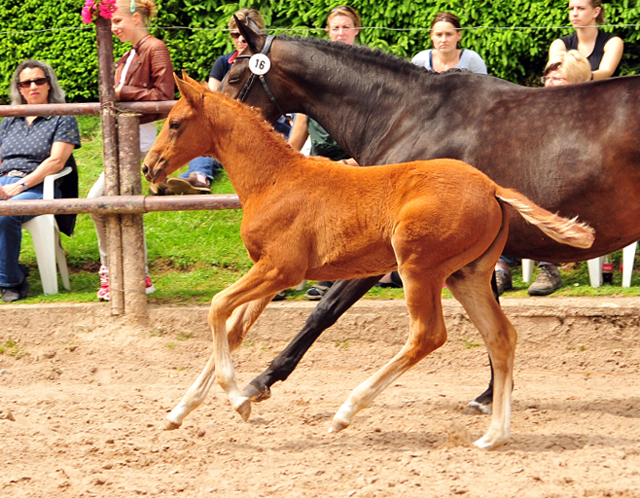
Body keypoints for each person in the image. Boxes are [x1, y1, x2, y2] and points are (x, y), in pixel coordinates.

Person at [88, 0, 174, 300]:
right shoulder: (127, 55)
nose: (113, 29)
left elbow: (164, 96)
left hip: (143, 143)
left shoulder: (154, 48)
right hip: (124, 144)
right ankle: (128, 273)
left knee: (97, 201)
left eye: (117, 22)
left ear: (136, 18)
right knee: (115, 207)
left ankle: (118, 270)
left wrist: (123, 93)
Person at [495, 49, 596, 297]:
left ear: (577, 83)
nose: (550, 84)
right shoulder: (537, 112)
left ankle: (549, 267)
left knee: (548, 195)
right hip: (531, 176)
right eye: (547, 78)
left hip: (568, 183)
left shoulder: (587, 114)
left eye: (558, 79)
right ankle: (501, 267)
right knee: (507, 192)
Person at [159, 9, 292, 196]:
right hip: (228, 131)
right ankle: (197, 177)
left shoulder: (270, 63)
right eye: (236, 34)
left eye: (246, 35)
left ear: (260, 33)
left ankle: (191, 178)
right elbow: (208, 102)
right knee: (204, 138)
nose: (241, 39)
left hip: (267, 131)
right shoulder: (223, 63)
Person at [287, 4, 362, 300]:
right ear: (327, 32)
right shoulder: (314, 69)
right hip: (319, 156)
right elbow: (303, 118)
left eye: (345, 27)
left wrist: (358, 160)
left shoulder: (365, 69)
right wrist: (288, 157)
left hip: (356, 156)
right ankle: (298, 274)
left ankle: (336, 279)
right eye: (335, 28)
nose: (340, 33)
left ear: (356, 31)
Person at [0, 60, 81, 302]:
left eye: (39, 80)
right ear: (20, 89)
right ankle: (11, 270)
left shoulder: (62, 117)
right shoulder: (9, 119)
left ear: (49, 85)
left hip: (39, 186)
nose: (33, 86)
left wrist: (20, 185)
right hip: (5, 181)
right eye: (26, 82)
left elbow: (56, 161)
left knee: (4, 214)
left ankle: (11, 282)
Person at [549, 0, 623, 81]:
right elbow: (554, 74)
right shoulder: (559, 44)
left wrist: (576, 77)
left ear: (596, 12)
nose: (574, 14)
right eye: (571, 9)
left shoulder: (613, 42)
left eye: (581, 8)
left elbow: (606, 72)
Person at [411, 12, 487, 74]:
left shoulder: (472, 60)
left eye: (449, 34)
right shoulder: (420, 61)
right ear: (431, 36)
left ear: (459, 35)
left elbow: (484, 89)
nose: (443, 40)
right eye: (439, 35)